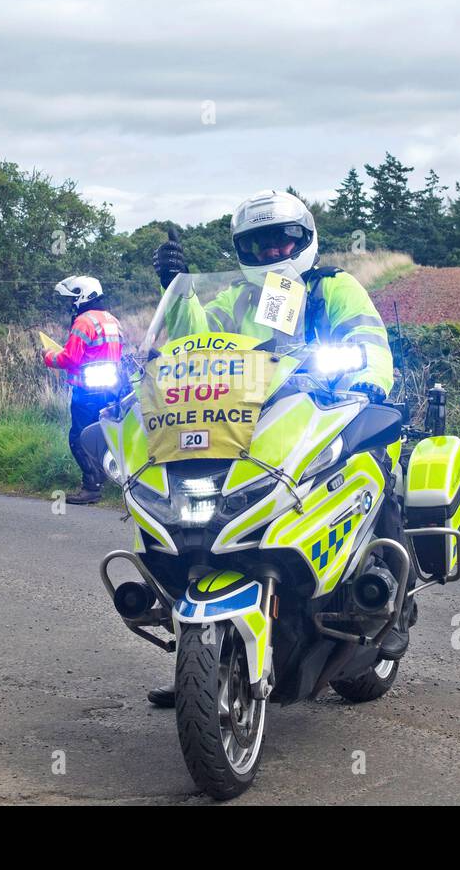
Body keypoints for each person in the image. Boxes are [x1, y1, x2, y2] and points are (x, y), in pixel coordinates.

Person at [144, 190, 398, 708]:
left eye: (280, 240)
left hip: (325, 418)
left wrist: (369, 380)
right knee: (200, 523)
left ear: (303, 240)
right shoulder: (234, 299)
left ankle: (385, 601)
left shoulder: (333, 287)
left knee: (375, 474)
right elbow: (195, 344)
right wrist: (178, 290)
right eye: (257, 244)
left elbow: (368, 339)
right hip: (249, 428)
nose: (270, 252)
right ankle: (204, 655)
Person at [44, 275, 126, 505]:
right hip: (112, 388)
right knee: (109, 436)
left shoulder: (84, 322)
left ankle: (91, 487)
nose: (71, 303)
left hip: (87, 391)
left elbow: (70, 358)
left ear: (82, 296)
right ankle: (114, 480)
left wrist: (49, 356)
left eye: (72, 298)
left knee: (79, 437)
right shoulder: (112, 320)